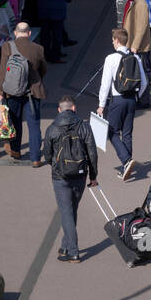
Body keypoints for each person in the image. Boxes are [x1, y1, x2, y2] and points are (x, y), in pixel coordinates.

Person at [41, 96, 99, 263]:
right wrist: (93, 176)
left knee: (66, 211)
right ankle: (65, 246)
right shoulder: (84, 126)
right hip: (80, 175)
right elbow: (92, 153)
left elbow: (47, 155)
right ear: (74, 108)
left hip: (60, 177)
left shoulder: (52, 128)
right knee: (71, 210)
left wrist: (54, 165)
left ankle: (73, 251)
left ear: (59, 110)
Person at [97, 27, 148, 181]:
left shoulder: (111, 58)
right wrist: (136, 96)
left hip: (117, 99)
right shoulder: (135, 58)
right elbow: (144, 82)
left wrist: (101, 104)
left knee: (111, 131)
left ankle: (126, 161)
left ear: (117, 40)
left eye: (113, 40)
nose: (112, 42)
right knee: (127, 133)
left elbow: (105, 84)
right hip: (131, 99)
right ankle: (128, 167)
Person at [0, 21, 47, 165]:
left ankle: (16, 151)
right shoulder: (38, 48)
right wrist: (37, 79)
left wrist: (0, 92)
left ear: (15, 33)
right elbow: (44, 69)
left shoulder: (7, 47)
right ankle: (36, 158)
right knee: (34, 125)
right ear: (29, 33)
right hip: (33, 92)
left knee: (15, 121)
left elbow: (2, 71)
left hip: (12, 91)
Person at [122, 0, 151, 104]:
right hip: (133, 44)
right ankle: (139, 98)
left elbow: (142, 26)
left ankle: (144, 101)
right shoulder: (132, 1)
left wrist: (134, 45)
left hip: (139, 46)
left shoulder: (140, 4)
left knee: (141, 75)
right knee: (137, 73)